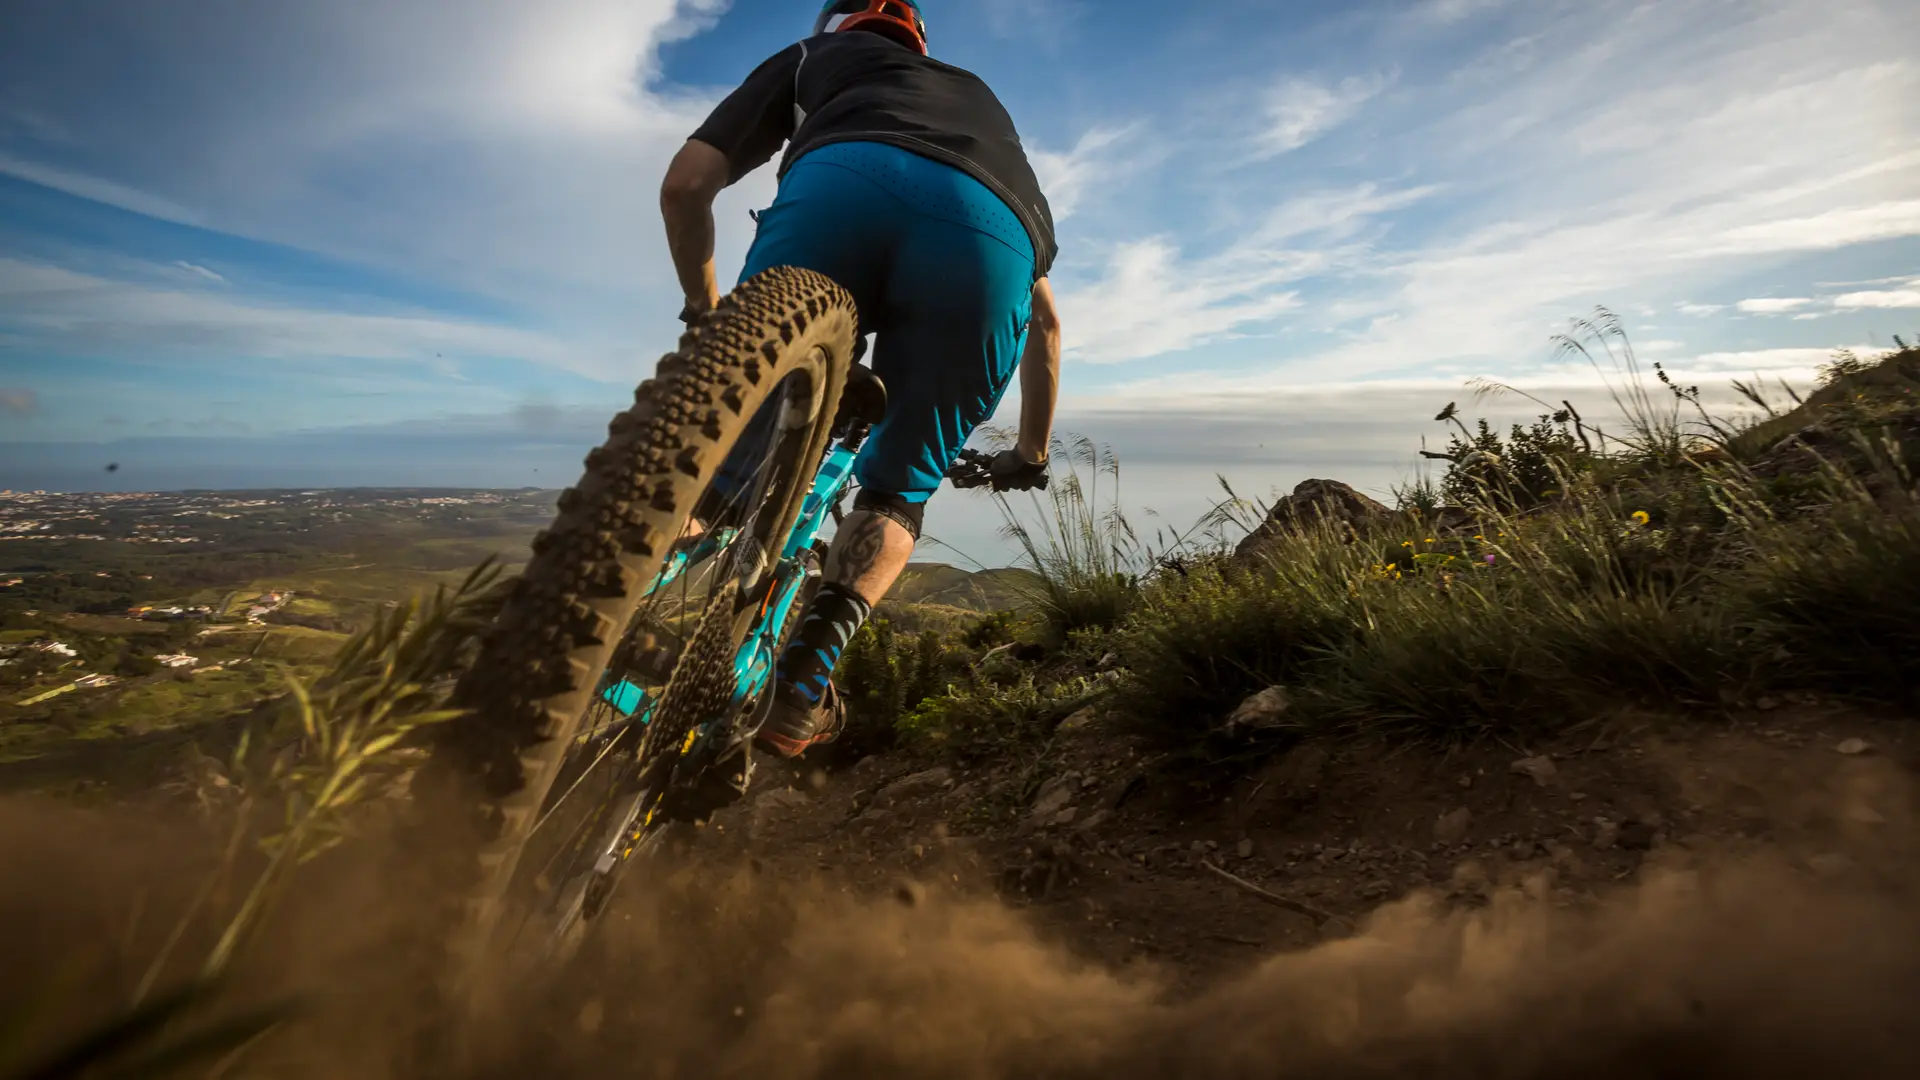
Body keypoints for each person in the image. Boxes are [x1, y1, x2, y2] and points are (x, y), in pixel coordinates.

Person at [658, 0, 1063, 760]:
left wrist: (703, 313)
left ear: (834, 26)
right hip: (992, 234)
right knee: (897, 491)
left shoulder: (814, 59)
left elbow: (686, 185)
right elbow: (1045, 326)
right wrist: (1029, 456)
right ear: (922, 43)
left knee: (735, 441)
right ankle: (801, 687)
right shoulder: (981, 102)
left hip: (841, 183)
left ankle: (620, 592)